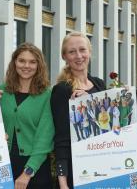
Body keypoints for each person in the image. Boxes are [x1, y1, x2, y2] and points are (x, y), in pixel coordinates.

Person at [51, 32, 106, 189]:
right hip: (79, 171)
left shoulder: (100, 84)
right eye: (72, 51)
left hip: (104, 163)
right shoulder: (62, 90)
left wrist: (90, 100)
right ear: (64, 56)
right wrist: (63, 183)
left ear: (89, 52)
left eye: (82, 50)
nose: (78, 56)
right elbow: (61, 139)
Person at [0, 43, 54, 189]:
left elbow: (45, 138)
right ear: (14, 62)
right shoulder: (0, 92)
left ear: (39, 65)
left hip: (35, 168)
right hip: (3, 164)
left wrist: (27, 173)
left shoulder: (47, 95)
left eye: (32, 62)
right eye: (22, 60)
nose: (26, 65)